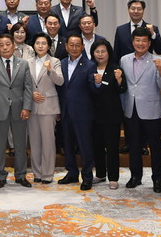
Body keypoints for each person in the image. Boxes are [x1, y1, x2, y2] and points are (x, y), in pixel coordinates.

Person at [119, 26, 161, 193]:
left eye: (144, 41)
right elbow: (124, 86)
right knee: (133, 145)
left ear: (149, 43)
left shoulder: (157, 60)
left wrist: (160, 71)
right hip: (130, 109)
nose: (140, 44)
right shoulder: (124, 60)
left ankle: (158, 179)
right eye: (137, 40)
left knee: (155, 146)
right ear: (133, 42)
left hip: (151, 109)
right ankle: (135, 176)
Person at [0, 33, 33, 188]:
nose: (5, 47)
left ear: (13, 46)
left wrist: (27, 107)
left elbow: (28, 87)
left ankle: (21, 175)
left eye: (8, 44)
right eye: (1, 45)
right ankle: (0, 176)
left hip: (19, 108)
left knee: (20, 144)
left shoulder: (23, 63)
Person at [57, 34, 99, 191]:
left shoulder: (90, 65)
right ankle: (72, 173)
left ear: (82, 47)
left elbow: (94, 89)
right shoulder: (61, 63)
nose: (74, 48)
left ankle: (87, 177)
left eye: (77, 45)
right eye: (71, 45)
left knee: (85, 145)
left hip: (83, 113)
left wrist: (98, 83)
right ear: (66, 46)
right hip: (65, 111)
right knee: (67, 145)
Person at [90, 39, 126, 190]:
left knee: (112, 147)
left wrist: (119, 80)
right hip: (93, 114)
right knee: (97, 146)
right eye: (97, 51)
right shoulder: (90, 68)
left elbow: (123, 89)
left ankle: (113, 177)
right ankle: (100, 174)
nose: (100, 54)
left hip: (112, 115)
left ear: (109, 53)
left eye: (103, 51)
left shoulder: (116, 69)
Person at [27, 33, 63, 184]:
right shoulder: (28, 62)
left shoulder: (55, 61)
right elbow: (23, 83)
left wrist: (50, 70)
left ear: (49, 46)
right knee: (34, 142)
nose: (40, 46)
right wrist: (31, 94)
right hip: (32, 105)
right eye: (37, 43)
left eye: (43, 43)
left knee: (48, 142)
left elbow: (60, 81)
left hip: (48, 106)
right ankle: (37, 173)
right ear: (34, 45)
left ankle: (47, 174)